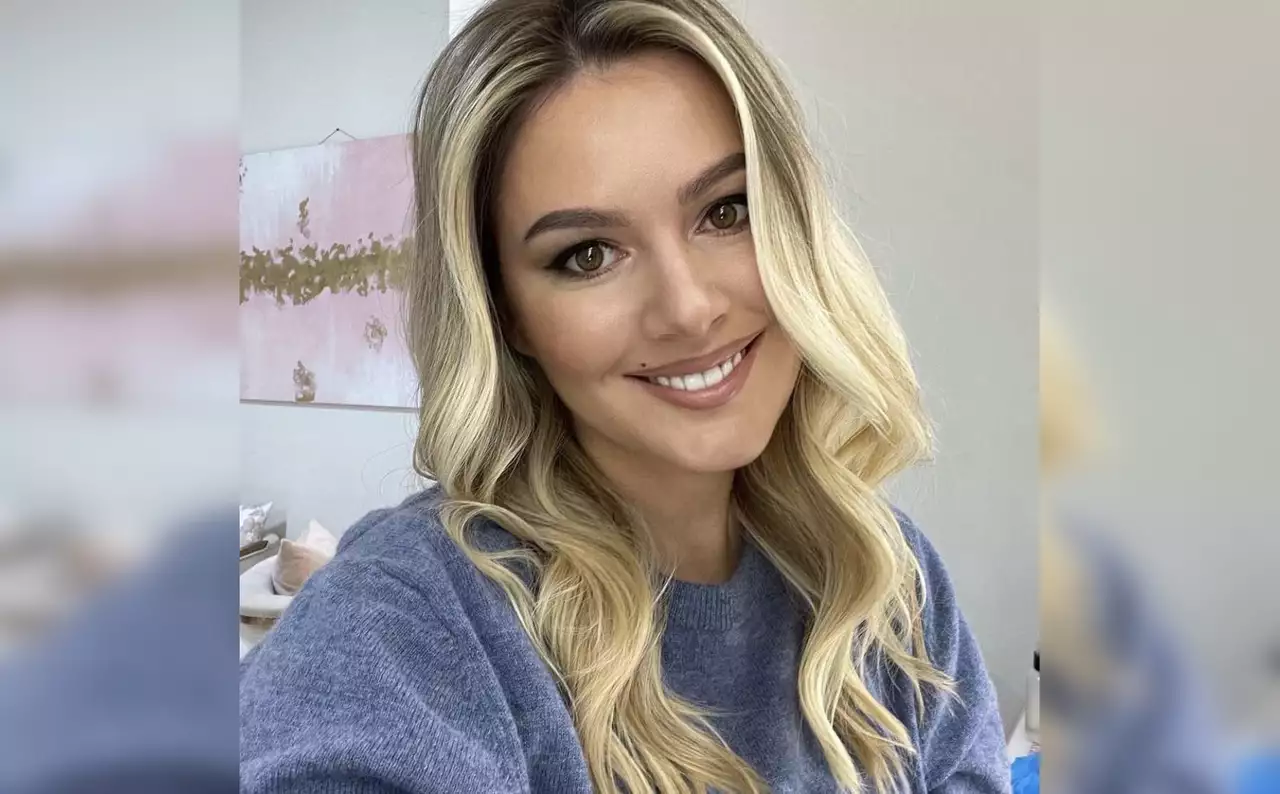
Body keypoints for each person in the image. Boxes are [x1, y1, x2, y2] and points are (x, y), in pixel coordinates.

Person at [240, 0, 1009, 791]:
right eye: (588, 255)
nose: (689, 308)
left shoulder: (882, 575)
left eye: (728, 210)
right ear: (505, 314)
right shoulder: (411, 620)